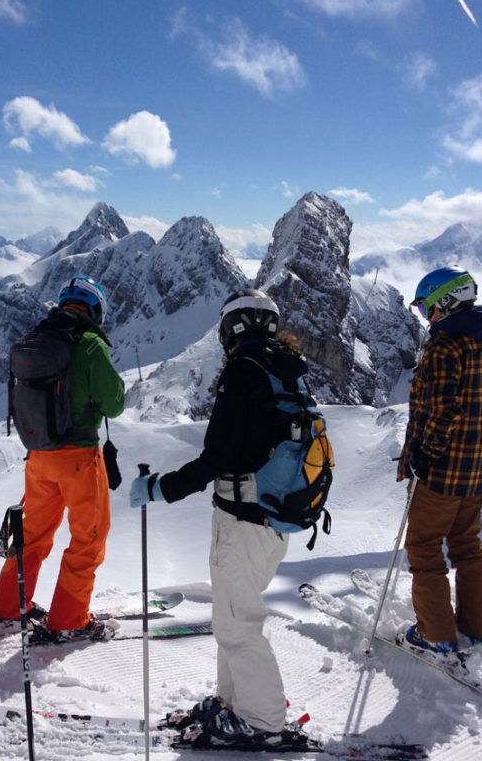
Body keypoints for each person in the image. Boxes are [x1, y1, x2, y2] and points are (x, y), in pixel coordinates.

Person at [130, 289, 307, 747]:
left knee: (238, 624)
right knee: (235, 618)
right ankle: (236, 705)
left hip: (242, 520)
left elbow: (216, 457)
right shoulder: (286, 371)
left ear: (232, 328)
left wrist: (160, 488)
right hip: (271, 520)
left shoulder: (243, 373)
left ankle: (263, 723)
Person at [0, 276, 125, 641]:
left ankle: (6, 609)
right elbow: (115, 402)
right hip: (78, 457)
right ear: (96, 310)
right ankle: (69, 620)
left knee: (31, 534)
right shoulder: (91, 344)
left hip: (38, 457)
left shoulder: (40, 337)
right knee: (88, 538)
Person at [396, 265, 482, 655]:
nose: (427, 318)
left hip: (441, 473)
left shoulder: (445, 346)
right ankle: (477, 630)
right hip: (476, 472)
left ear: (446, 302)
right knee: (467, 545)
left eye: (427, 308)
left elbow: (442, 409)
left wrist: (424, 454)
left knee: (424, 548)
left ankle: (436, 634)